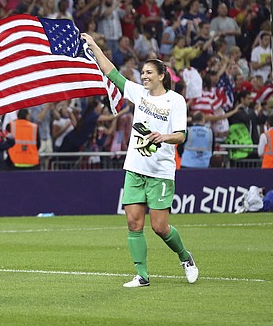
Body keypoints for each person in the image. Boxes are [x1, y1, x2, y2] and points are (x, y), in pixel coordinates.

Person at [82, 33, 198, 288]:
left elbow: (181, 135)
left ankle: (185, 257)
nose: (143, 76)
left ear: (161, 76)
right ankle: (142, 275)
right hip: (135, 167)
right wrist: (94, 46)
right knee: (134, 222)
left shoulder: (175, 101)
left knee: (159, 227)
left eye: (148, 73)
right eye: (143, 72)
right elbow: (111, 73)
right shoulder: (139, 94)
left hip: (161, 171)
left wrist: (163, 136)